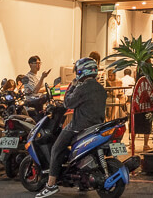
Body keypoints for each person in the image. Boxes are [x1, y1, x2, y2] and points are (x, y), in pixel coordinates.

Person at [35, 57, 107, 198]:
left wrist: (72, 85)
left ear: (81, 71)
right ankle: (82, 183)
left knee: (56, 148)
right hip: (96, 126)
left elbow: (68, 103)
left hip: (79, 126)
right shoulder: (100, 88)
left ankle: (50, 185)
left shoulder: (82, 87)